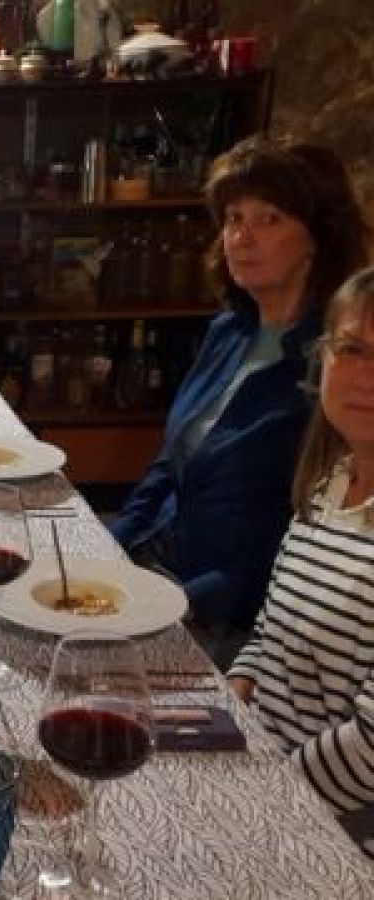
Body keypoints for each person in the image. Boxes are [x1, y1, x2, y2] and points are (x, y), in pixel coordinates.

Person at [109, 136, 369, 669]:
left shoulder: (336, 365)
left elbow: (290, 537)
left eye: (269, 219)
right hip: (160, 563)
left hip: (228, 617)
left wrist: (171, 606)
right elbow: (169, 464)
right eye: (233, 219)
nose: (242, 237)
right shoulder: (229, 331)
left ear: (314, 239)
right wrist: (111, 544)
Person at [227, 267, 374, 858]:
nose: (365, 375)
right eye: (352, 350)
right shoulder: (329, 484)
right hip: (264, 772)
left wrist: (263, 796)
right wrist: (229, 696)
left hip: (334, 836)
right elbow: (269, 630)